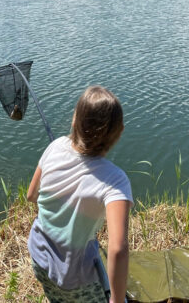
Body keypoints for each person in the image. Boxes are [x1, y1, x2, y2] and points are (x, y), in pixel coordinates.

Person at [27, 86, 133, 303]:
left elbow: (31, 195)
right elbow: (118, 249)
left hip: (38, 257)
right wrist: (117, 299)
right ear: (120, 131)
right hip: (73, 277)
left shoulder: (55, 147)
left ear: (74, 120)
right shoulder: (115, 180)